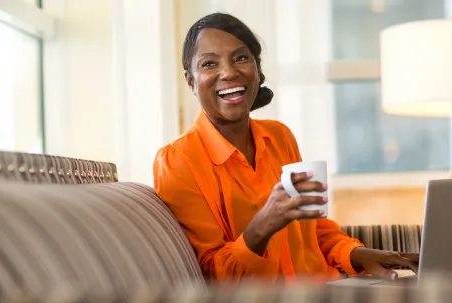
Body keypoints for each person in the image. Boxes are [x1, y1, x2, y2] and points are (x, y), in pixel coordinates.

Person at [153, 12, 418, 284]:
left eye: (241, 58)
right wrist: (263, 225)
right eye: (209, 63)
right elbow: (213, 274)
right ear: (191, 82)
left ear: (258, 70)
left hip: (329, 290)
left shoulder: (279, 136)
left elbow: (314, 229)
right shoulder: (179, 160)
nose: (229, 72)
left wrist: (359, 254)